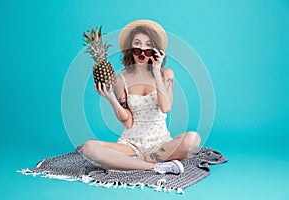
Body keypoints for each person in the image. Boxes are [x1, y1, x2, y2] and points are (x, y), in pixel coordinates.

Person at [79, 19, 201, 174]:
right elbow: (128, 122)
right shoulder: (120, 80)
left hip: (160, 144)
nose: (142, 50)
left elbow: (165, 107)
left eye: (148, 46)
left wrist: (156, 71)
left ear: (155, 50)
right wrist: (110, 98)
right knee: (89, 147)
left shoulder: (166, 74)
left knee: (192, 139)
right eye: (137, 44)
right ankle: (154, 166)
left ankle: (132, 163)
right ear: (131, 48)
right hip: (130, 145)